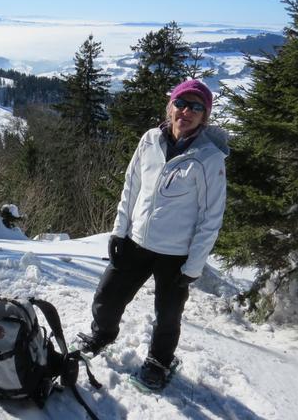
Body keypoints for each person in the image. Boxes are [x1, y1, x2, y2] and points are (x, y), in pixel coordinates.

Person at [78, 79, 229, 390]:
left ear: (204, 116)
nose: (186, 111)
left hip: (176, 254)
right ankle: (102, 334)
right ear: (170, 106)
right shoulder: (149, 140)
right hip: (136, 242)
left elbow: (210, 218)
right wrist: (119, 231)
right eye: (181, 103)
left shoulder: (209, 158)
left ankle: (159, 361)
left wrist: (193, 267)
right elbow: (131, 186)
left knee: (168, 315)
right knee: (108, 296)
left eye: (196, 107)